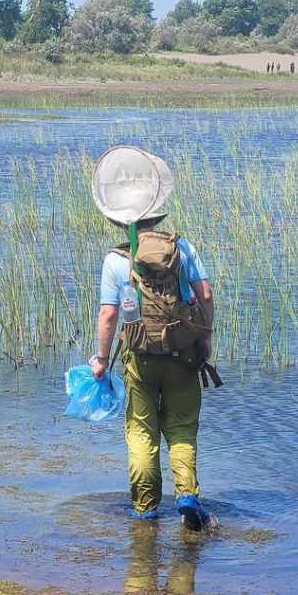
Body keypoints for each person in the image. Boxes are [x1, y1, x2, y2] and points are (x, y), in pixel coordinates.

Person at [91, 156, 215, 531]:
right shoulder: (181, 247)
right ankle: (187, 497)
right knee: (180, 428)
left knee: (142, 433)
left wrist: (100, 359)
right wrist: (205, 338)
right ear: (156, 215)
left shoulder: (116, 259)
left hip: (140, 358)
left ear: (118, 219)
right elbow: (205, 295)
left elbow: (110, 316)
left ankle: (145, 509)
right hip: (184, 354)